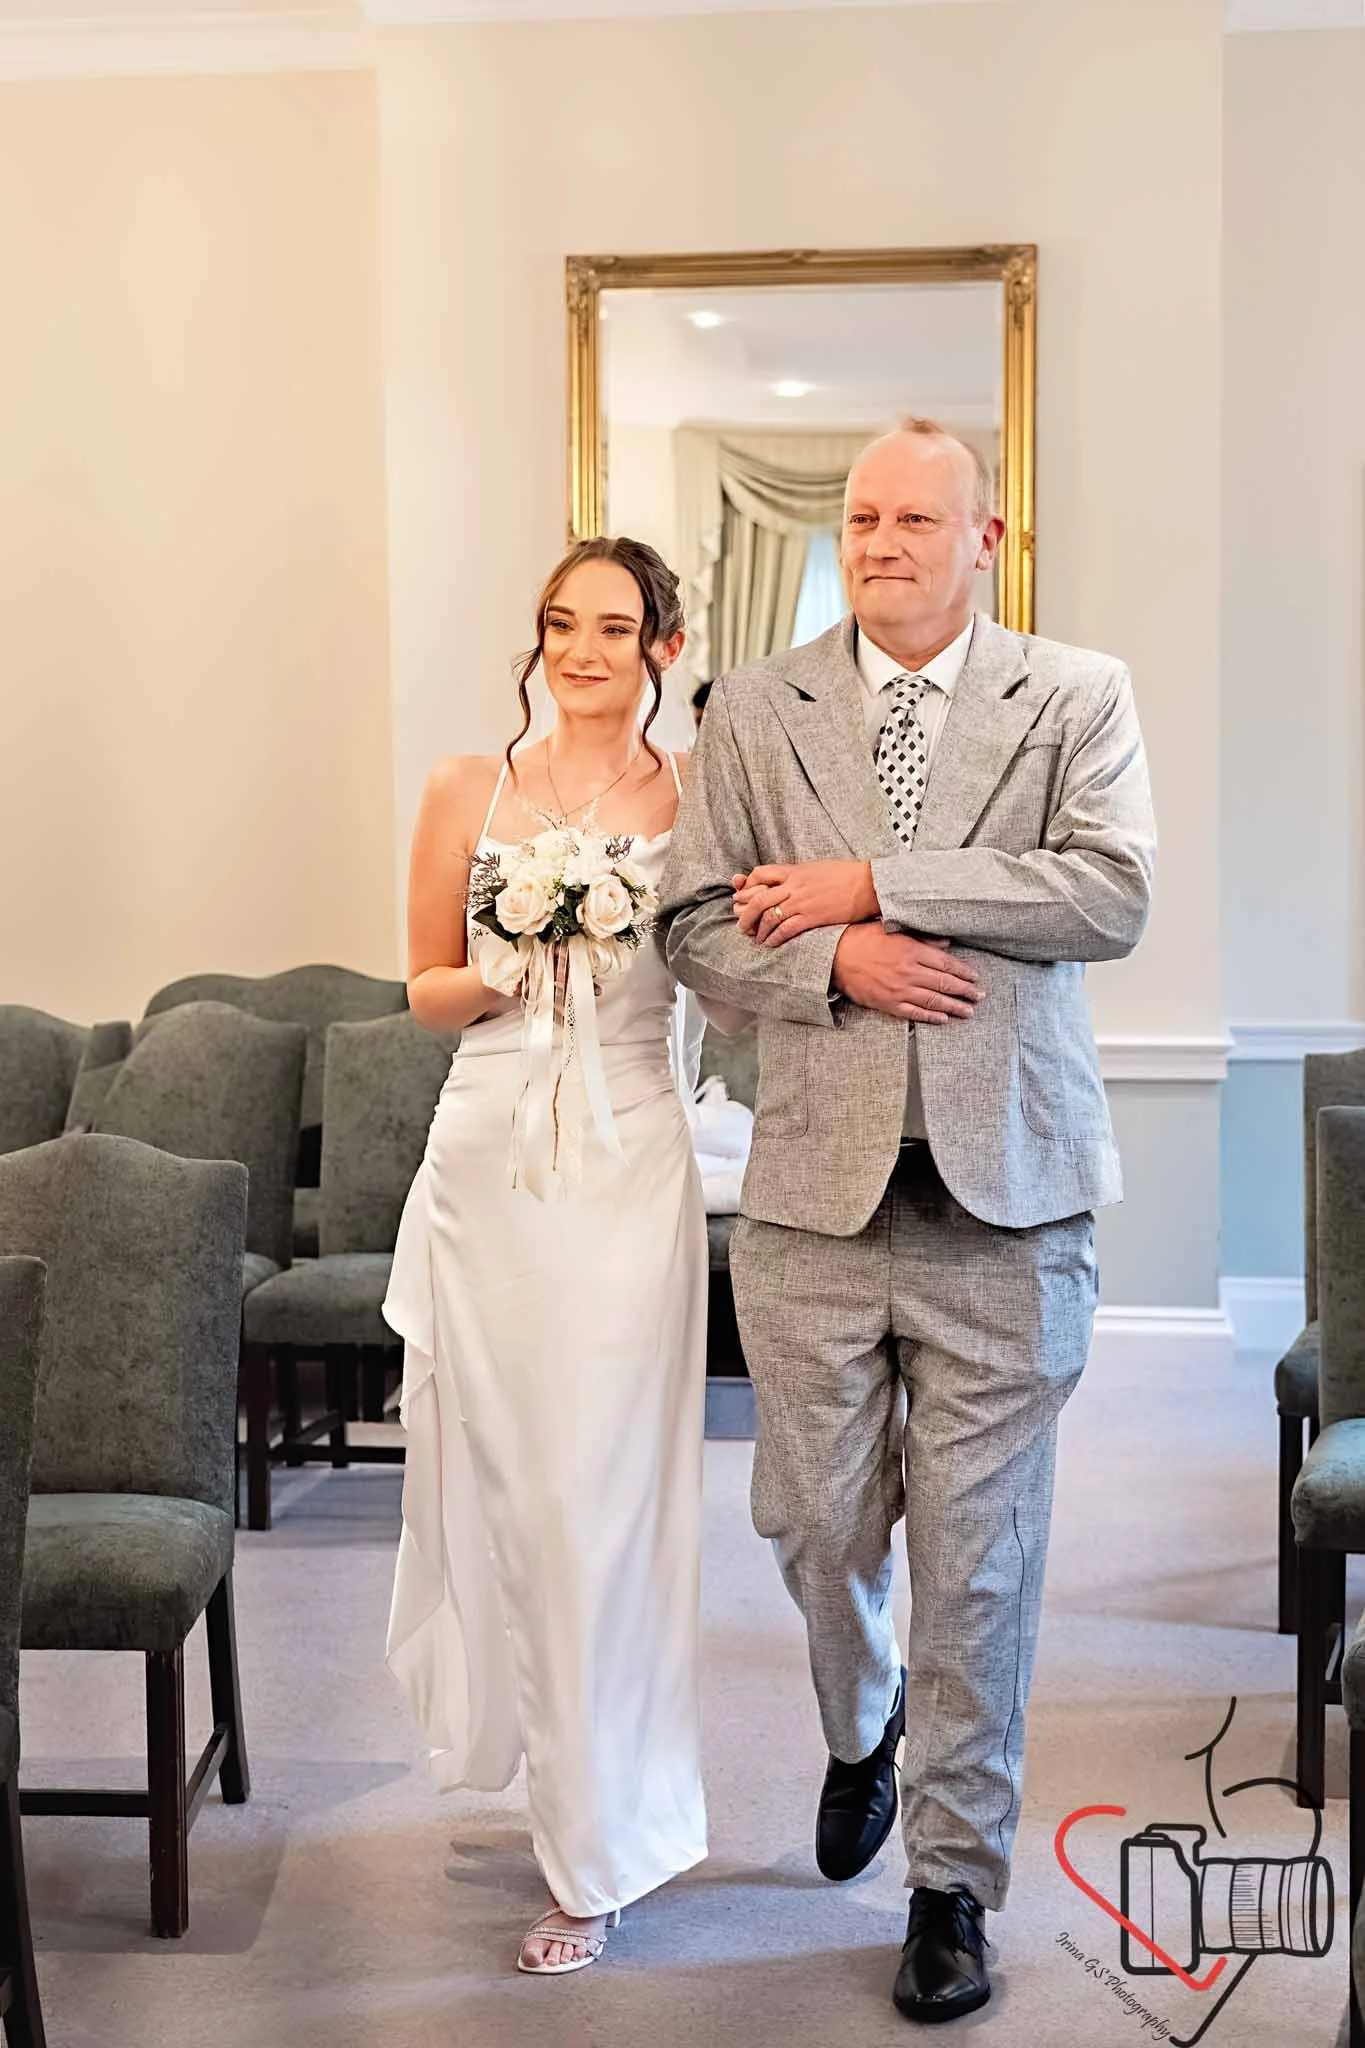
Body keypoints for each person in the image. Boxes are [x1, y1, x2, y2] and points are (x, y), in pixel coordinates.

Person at [659, 418, 1155, 2025]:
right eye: (862, 516)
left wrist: (875, 886)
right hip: (810, 1201)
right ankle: (860, 1718)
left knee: (981, 1564)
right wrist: (823, 965)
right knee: (810, 1523)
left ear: (983, 538)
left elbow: (1108, 893)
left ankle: (950, 1885)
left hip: (1009, 1200)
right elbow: (686, 921)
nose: (880, 539)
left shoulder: (1076, 694)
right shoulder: (755, 708)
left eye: (914, 517)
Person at [384, 536, 709, 1977]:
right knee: (517, 1491)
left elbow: (726, 975)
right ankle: (557, 1800)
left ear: (663, 647)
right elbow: (422, 994)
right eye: (561, 623)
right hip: (487, 1164)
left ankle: (603, 1844)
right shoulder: (470, 788)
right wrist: (522, 958)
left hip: (629, 1166)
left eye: (616, 626)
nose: (585, 649)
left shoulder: (696, 800)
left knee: (605, 1499)